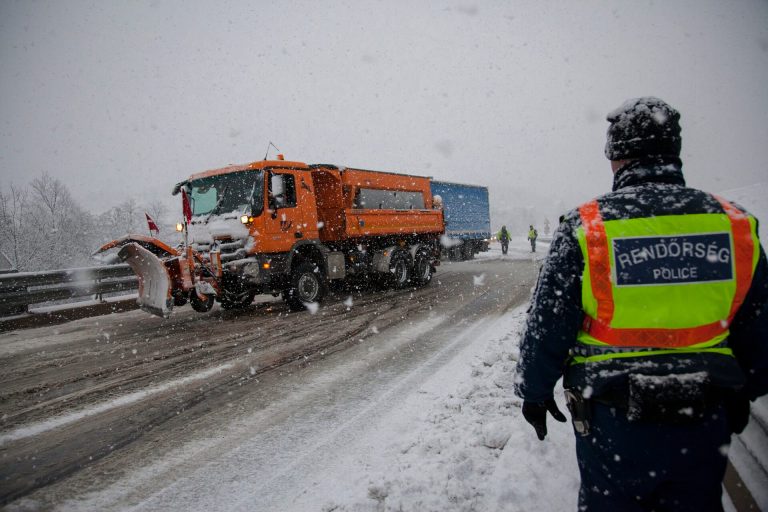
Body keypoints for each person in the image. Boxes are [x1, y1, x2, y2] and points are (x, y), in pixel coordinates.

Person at [514, 97, 768, 511]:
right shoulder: (735, 224)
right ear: (675, 151)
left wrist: (535, 391)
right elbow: (759, 324)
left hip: (612, 419)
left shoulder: (587, 228)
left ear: (616, 157)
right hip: (704, 414)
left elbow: (548, 326)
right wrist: (746, 388)